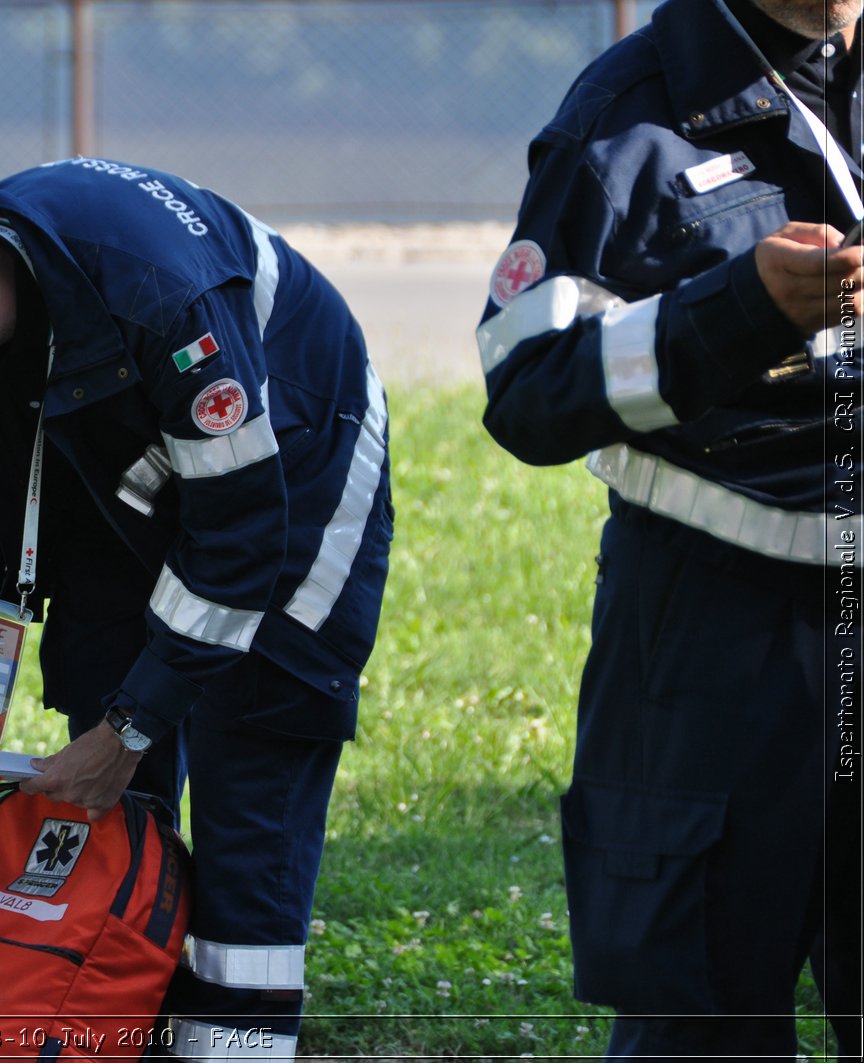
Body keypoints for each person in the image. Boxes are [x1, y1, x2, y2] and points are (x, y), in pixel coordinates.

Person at [0, 157, 393, 1059]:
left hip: (295, 465)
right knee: (108, 822)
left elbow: (243, 536)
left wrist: (127, 731)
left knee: (249, 799)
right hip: (122, 468)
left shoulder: (164, 302)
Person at [477, 1, 863, 1057]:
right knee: (701, 1026)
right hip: (714, 649)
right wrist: (738, 309)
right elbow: (528, 387)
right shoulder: (623, 122)